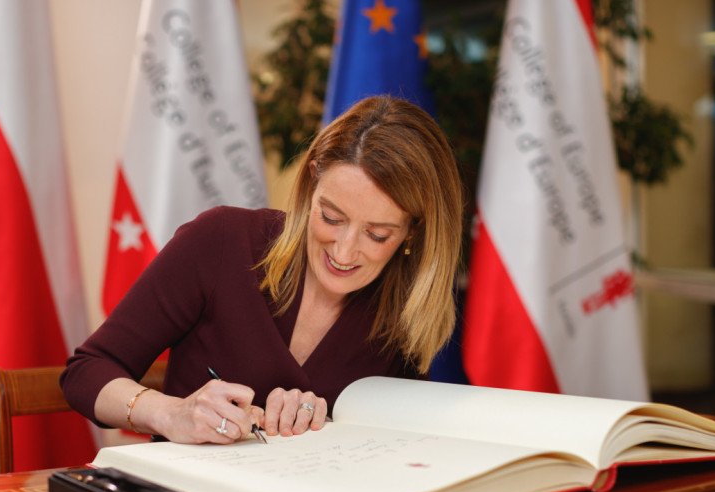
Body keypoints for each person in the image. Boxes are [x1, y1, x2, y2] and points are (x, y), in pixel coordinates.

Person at [60, 95, 464, 445]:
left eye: (377, 235)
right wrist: (169, 413)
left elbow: (395, 445)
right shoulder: (222, 241)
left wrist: (326, 424)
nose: (343, 251)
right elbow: (86, 372)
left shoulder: (407, 305)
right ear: (311, 182)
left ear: (413, 230)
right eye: (331, 217)